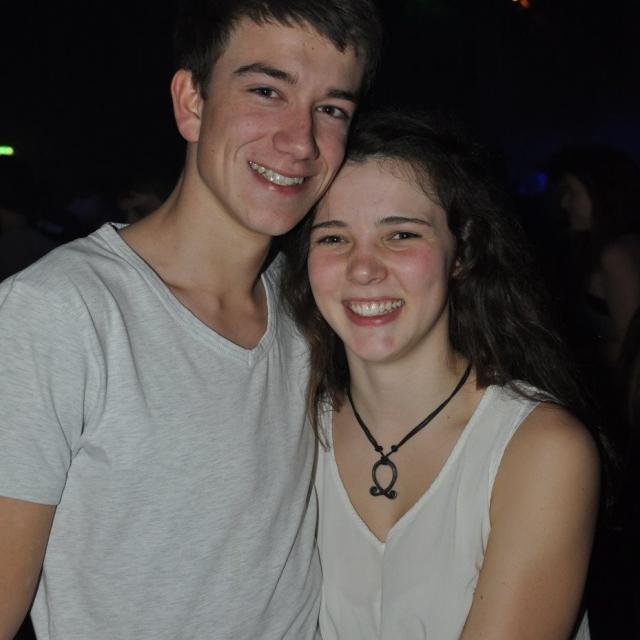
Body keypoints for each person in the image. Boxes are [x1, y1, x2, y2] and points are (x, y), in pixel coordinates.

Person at [0, 1, 381, 638]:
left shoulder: (315, 304)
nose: (301, 141)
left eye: (332, 109)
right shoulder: (58, 312)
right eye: (267, 91)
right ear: (192, 102)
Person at [282, 110, 601, 639]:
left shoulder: (539, 448)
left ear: (461, 254)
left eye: (401, 234)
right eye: (334, 239)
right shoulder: (289, 428)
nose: (364, 268)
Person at [550, 147, 640, 366]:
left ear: (602, 194)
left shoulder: (615, 256)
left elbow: (632, 348)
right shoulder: (621, 244)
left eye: (572, 192)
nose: (564, 203)